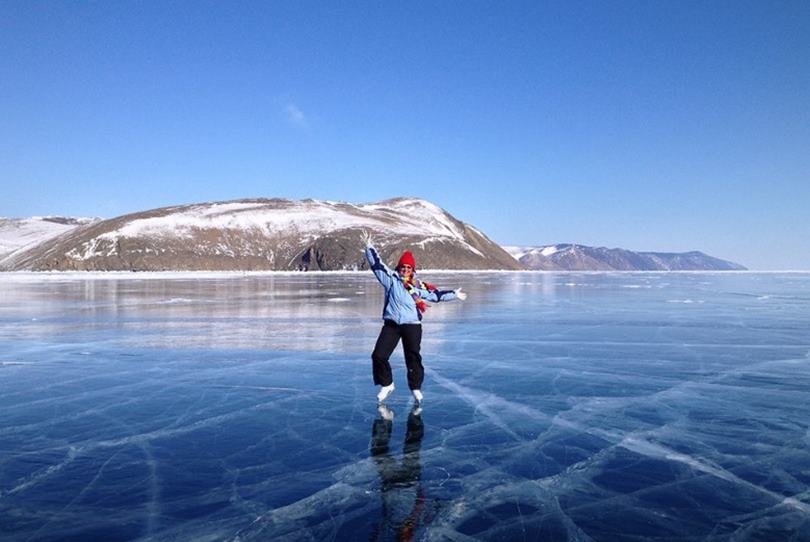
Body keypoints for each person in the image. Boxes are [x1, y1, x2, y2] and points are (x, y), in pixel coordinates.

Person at [363, 232, 467, 404]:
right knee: (378, 356)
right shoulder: (391, 280)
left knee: (413, 357)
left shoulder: (419, 287)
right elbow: (377, 265)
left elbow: (436, 295)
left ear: (413, 270)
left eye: (408, 268)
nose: (405, 269)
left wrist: (454, 294)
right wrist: (369, 248)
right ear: (398, 268)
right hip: (392, 325)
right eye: (402, 267)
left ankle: (415, 387)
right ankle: (387, 384)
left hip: (412, 325)